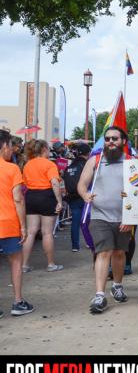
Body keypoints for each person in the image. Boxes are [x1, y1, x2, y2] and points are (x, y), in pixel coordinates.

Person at [77, 126, 133, 314]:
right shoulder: (95, 161)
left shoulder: (132, 162)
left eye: (114, 138)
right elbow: (82, 184)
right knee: (103, 252)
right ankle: (100, 295)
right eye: (107, 139)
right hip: (99, 215)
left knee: (119, 253)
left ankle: (117, 286)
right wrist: (85, 195)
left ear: (123, 141)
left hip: (124, 217)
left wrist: (131, 215)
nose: (110, 142)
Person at [0, 130, 35, 317]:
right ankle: (17, 302)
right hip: (8, 223)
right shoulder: (11, 169)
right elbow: (18, 198)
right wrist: (23, 225)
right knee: (15, 261)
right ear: (5, 146)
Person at [20, 139, 64, 273]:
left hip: (31, 196)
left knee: (31, 232)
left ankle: (24, 265)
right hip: (46, 196)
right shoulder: (49, 164)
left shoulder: (27, 164)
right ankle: (50, 264)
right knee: (47, 232)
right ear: (44, 149)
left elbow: (25, 183)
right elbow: (54, 183)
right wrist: (59, 201)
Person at [64, 142, 90, 252]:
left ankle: (75, 245)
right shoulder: (86, 165)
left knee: (75, 221)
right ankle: (89, 242)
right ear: (88, 153)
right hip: (84, 195)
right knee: (87, 221)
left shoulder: (70, 166)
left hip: (72, 197)